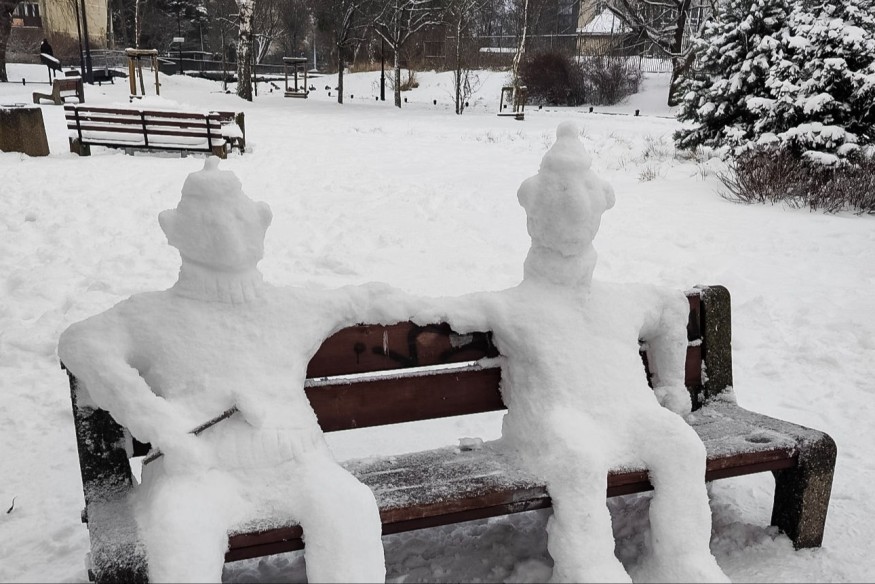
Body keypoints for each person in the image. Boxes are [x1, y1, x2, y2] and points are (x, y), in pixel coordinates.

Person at [59, 158, 414, 582]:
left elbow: (370, 299)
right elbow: (80, 343)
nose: (229, 234)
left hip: (299, 463)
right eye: (211, 223)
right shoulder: (152, 317)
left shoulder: (292, 307)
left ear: (262, 221)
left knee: (351, 508)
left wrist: (461, 313)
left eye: (238, 218)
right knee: (181, 531)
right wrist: (161, 425)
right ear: (174, 231)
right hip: (198, 476)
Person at [416, 122, 729, 583]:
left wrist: (670, 386)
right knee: (579, 461)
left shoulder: (618, 300)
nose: (569, 218)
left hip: (629, 414)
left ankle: (685, 560)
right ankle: (590, 567)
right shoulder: (513, 307)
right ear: (533, 217)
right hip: (551, 422)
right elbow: (442, 315)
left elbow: (671, 309)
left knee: (682, 447)